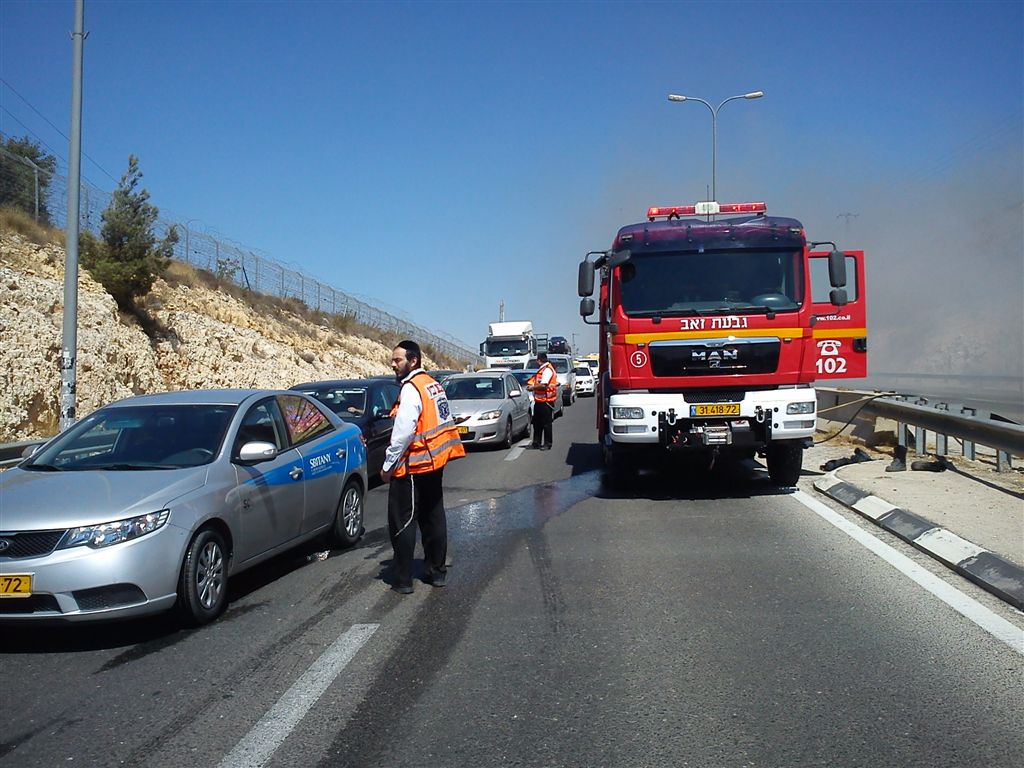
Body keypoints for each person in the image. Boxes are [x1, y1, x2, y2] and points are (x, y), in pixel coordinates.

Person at [380, 340, 466, 594]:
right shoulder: (433, 385)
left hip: (413, 466)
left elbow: (403, 432)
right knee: (433, 517)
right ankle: (436, 572)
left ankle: (403, 579)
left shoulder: (411, 388)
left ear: (413, 360)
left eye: (398, 360)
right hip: (434, 463)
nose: (393, 364)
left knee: (403, 522)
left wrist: (387, 466)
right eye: (393, 360)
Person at [527, 352, 558, 450]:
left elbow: (544, 385)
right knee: (537, 423)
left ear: (539, 360)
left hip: (546, 401)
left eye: (537, 360)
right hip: (539, 400)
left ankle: (547, 443)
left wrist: (532, 388)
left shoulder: (547, 370)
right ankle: (536, 442)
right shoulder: (542, 369)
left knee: (546, 424)